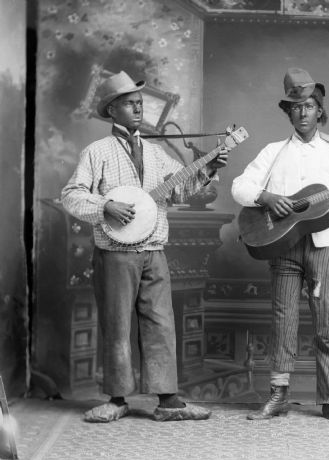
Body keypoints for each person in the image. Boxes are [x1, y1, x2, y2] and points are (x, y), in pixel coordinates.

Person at [61, 71, 229, 423]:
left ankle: (168, 401)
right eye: (129, 104)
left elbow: (180, 191)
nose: (137, 109)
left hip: (154, 249)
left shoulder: (155, 154)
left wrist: (209, 168)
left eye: (140, 103)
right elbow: (72, 195)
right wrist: (106, 206)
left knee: (161, 322)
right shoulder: (97, 152)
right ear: (112, 110)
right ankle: (117, 398)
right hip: (115, 252)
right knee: (117, 323)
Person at [231, 67, 329, 424]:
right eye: (295, 106)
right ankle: (279, 395)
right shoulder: (273, 152)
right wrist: (267, 197)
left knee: (327, 322)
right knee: (283, 319)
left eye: (309, 106)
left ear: (320, 110)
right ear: (288, 112)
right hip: (283, 246)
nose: (303, 112)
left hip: (324, 248)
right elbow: (240, 187)